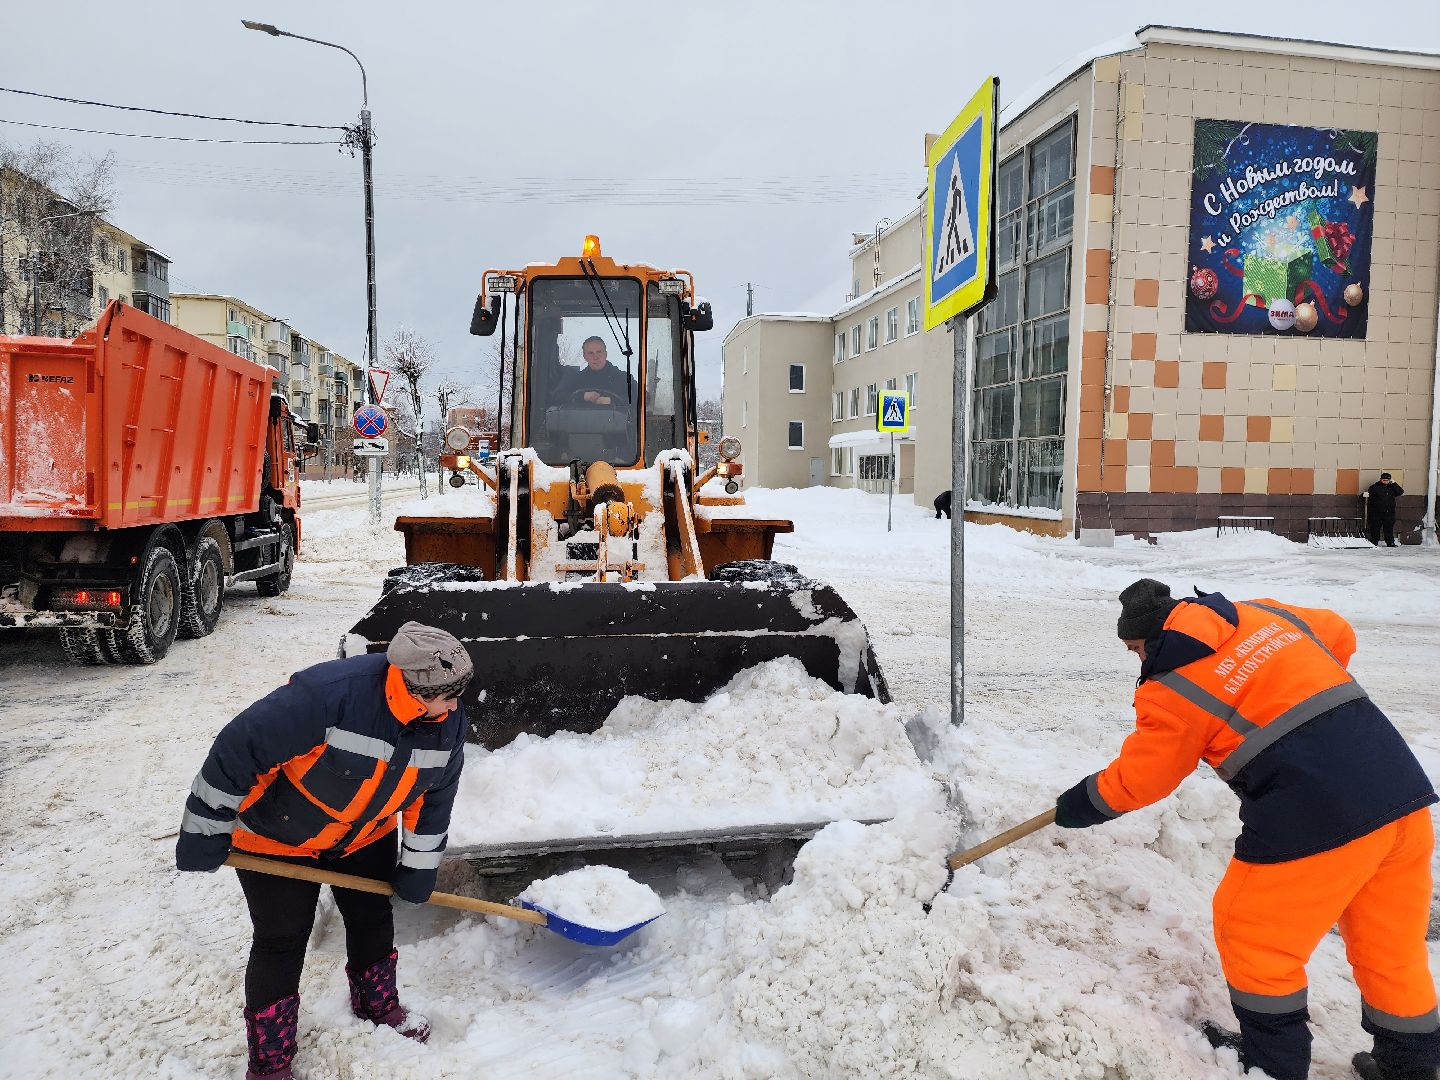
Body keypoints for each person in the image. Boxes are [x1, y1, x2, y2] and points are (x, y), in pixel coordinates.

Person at [1054, 579, 1439, 1080]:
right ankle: (1410, 1067)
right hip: (1400, 796)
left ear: (1148, 640)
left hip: (1314, 814)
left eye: (1133, 649)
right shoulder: (1262, 615)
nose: (1135, 659)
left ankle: (1273, 1067)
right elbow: (1339, 633)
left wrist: (1081, 803)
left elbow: (1144, 778)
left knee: (1252, 933)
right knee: (1390, 944)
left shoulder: (1171, 687)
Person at [176, 622, 472, 1080]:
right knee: (281, 939)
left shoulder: (447, 724)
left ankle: (378, 1006)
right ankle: (270, 1061)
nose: (456, 706)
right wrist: (205, 828)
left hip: (362, 835)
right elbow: (240, 748)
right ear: (413, 686)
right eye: (447, 695)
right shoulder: (330, 695)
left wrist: (418, 866)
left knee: (373, 917)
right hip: (278, 836)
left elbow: (433, 800)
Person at [553, 335, 635, 407]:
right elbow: (556, 397)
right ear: (585, 357)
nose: (595, 357)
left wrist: (611, 401)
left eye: (599, 352)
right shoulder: (576, 379)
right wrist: (583, 396)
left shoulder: (623, 378)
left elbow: (642, 397)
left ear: (605, 354)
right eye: (590, 353)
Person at [1367, 472, 1404, 547]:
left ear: (1390, 480)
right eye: (1383, 480)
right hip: (1377, 512)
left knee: (1389, 528)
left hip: (1389, 512)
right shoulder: (1375, 487)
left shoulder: (1392, 487)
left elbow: (1400, 492)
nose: (1385, 481)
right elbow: (1370, 493)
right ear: (1380, 480)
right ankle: (1374, 542)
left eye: (1387, 480)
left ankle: (1390, 542)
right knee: (1375, 528)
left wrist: (1394, 484)